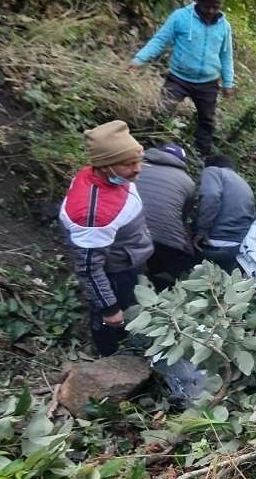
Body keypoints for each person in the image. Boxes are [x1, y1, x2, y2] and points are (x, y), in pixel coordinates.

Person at [59, 121, 153, 356]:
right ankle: (108, 355)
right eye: (129, 164)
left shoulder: (109, 179)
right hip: (116, 271)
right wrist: (110, 308)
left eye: (138, 160)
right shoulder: (94, 214)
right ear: (104, 166)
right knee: (109, 322)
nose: (138, 169)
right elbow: (90, 268)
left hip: (127, 258)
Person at [130, 0, 234, 156]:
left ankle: (201, 157)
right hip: (178, 78)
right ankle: (147, 148)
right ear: (198, 2)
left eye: (215, 7)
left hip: (208, 82)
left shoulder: (224, 26)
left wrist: (228, 82)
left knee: (207, 122)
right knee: (162, 112)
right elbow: (160, 40)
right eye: (207, 6)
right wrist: (139, 59)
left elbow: (226, 55)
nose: (210, 11)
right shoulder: (180, 17)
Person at [137, 144, 197, 290]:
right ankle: (161, 297)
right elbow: (182, 217)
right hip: (165, 238)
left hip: (129, 231)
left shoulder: (137, 168)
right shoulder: (187, 182)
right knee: (180, 264)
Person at [193, 155, 255, 272]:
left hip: (215, 243)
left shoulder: (213, 171)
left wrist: (201, 230)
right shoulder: (244, 183)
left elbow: (211, 196)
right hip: (237, 248)